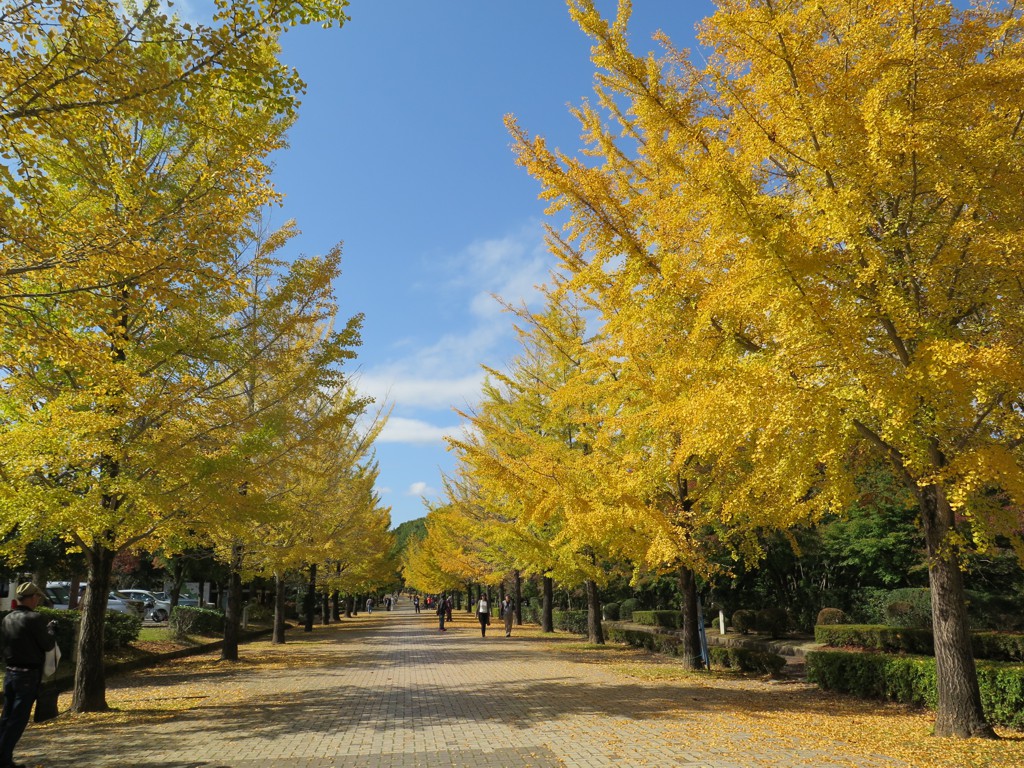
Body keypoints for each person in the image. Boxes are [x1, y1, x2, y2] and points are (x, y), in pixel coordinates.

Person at [0, 582, 57, 768]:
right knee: (18, 719)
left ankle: (3, 756)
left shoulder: (8, 618)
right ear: (32, 597)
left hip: (10, 672)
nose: (38, 600)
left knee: (7, 716)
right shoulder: (35, 618)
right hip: (28, 674)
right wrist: (51, 631)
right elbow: (47, 644)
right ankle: (4, 759)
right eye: (38, 597)